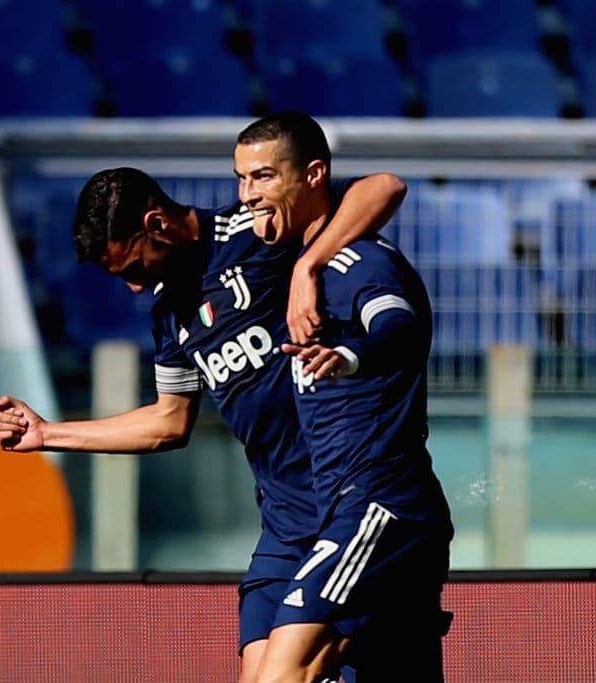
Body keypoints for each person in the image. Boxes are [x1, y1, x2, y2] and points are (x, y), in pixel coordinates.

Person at [0, 163, 406, 682]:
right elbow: (169, 422)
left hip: (344, 508)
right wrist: (49, 433)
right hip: (282, 522)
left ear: (156, 224)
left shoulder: (255, 233)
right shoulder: (170, 312)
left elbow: (384, 187)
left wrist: (307, 267)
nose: (136, 289)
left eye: (133, 269)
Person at [233, 112, 454, 683]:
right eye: (241, 179)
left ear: (311, 176)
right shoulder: (288, 263)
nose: (247, 195)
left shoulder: (358, 262)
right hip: (340, 510)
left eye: (262, 178)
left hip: (381, 505)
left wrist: (351, 355)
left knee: (284, 673)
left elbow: (398, 327)